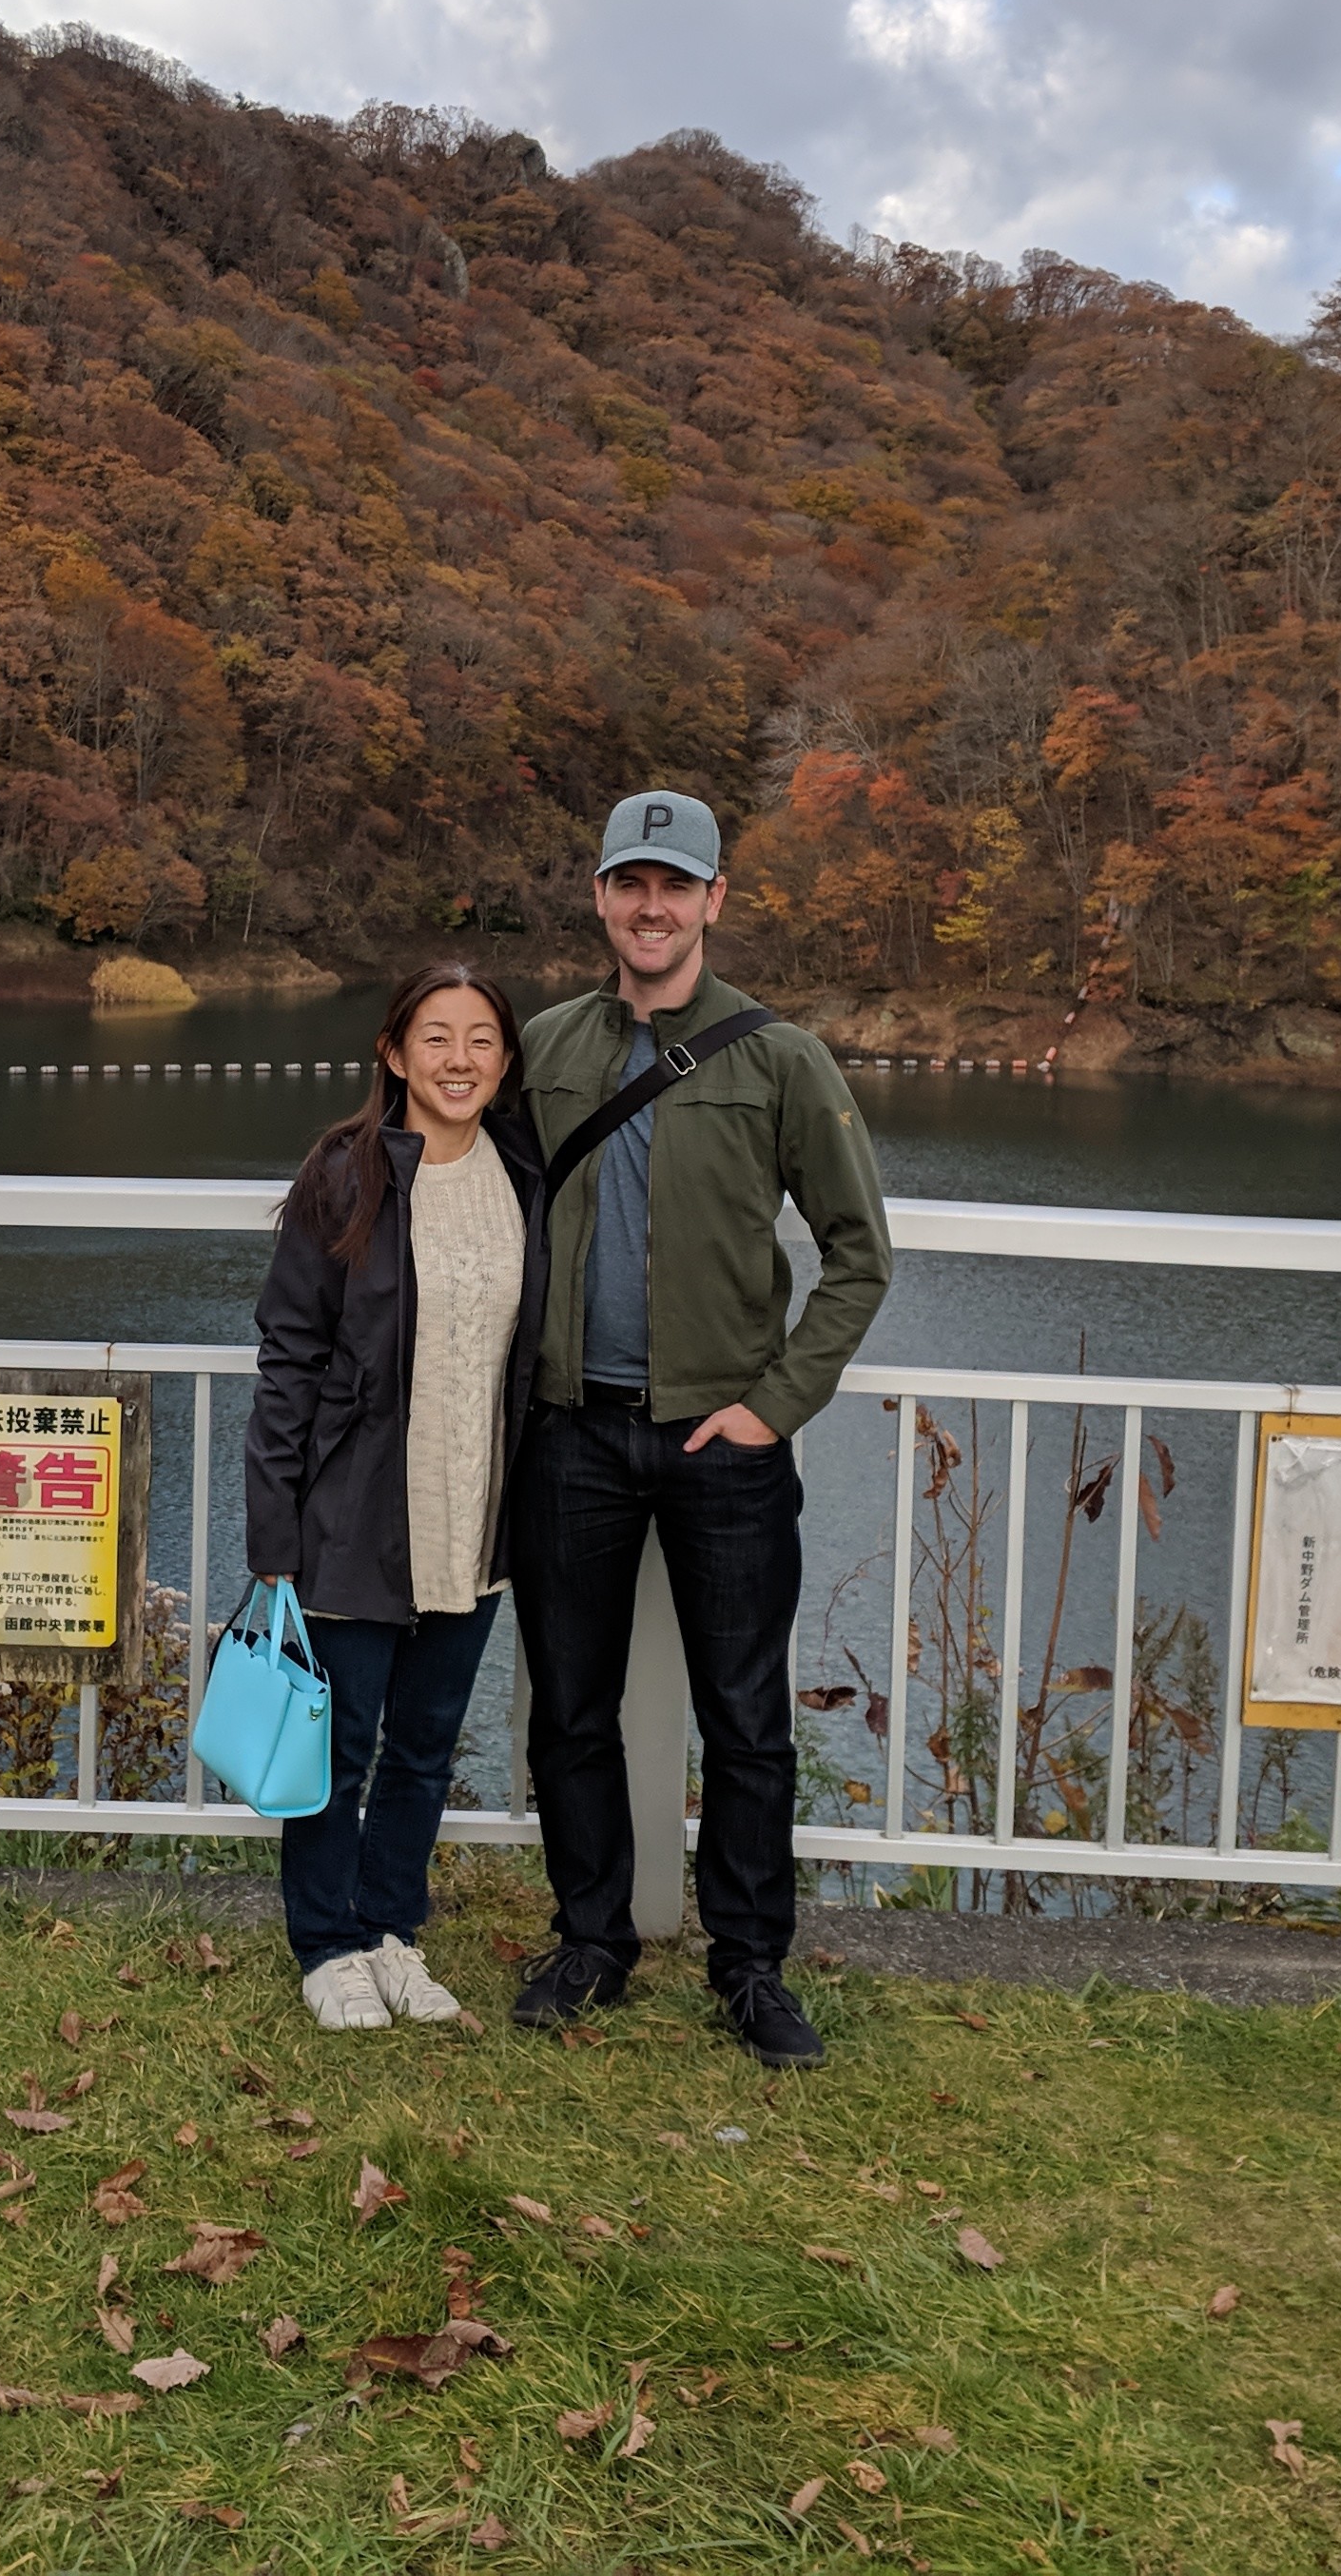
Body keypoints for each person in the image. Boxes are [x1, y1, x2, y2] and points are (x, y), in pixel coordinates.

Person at [507, 790, 891, 2067]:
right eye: (632, 883)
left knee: (745, 1715)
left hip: (722, 1446)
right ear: (601, 899)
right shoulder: (547, 1045)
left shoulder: (781, 1058)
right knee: (568, 1706)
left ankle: (750, 1961)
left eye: (676, 885)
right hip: (573, 1434)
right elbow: (456, 1179)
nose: (652, 906)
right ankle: (593, 1939)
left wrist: (775, 1405)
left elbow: (857, 1257)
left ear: (716, 902)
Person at [243, 964, 549, 2032]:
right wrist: (272, 1526)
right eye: (435, 1038)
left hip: (474, 1513)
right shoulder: (349, 1173)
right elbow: (289, 1356)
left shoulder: (524, 1169)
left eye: (479, 1041)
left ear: (506, 1061)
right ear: (392, 1052)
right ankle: (325, 1942)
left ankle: (390, 1928)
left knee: (426, 1740)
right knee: (340, 1740)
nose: (457, 1061)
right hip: (358, 1512)